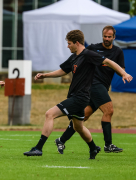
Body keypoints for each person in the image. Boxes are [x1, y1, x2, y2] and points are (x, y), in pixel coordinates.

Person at [23, 30, 132, 159]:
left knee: (49, 114)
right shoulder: (74, 56)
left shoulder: (88, 55)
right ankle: (93, 148)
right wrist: (45, 75)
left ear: (77, 43)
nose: (67, 46)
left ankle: (38, 148)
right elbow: (63, 70)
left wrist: (124, 74)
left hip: (80, 97)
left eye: (69, 43)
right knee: (78, 127)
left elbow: (109, 62)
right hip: (77, 97)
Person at [55, 26, 125, 154]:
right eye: (105, 36)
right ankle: (108, 145)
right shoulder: (93, 48)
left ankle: (61, 140)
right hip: (93, 84)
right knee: (109, 110)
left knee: (83, 116)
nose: (107, 39)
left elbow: (121, 69)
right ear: (102, 35)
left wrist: (122, 73)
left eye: (109, 37)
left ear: (114, 37)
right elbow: (79, 55)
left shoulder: (118, 52)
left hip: (102, 86)